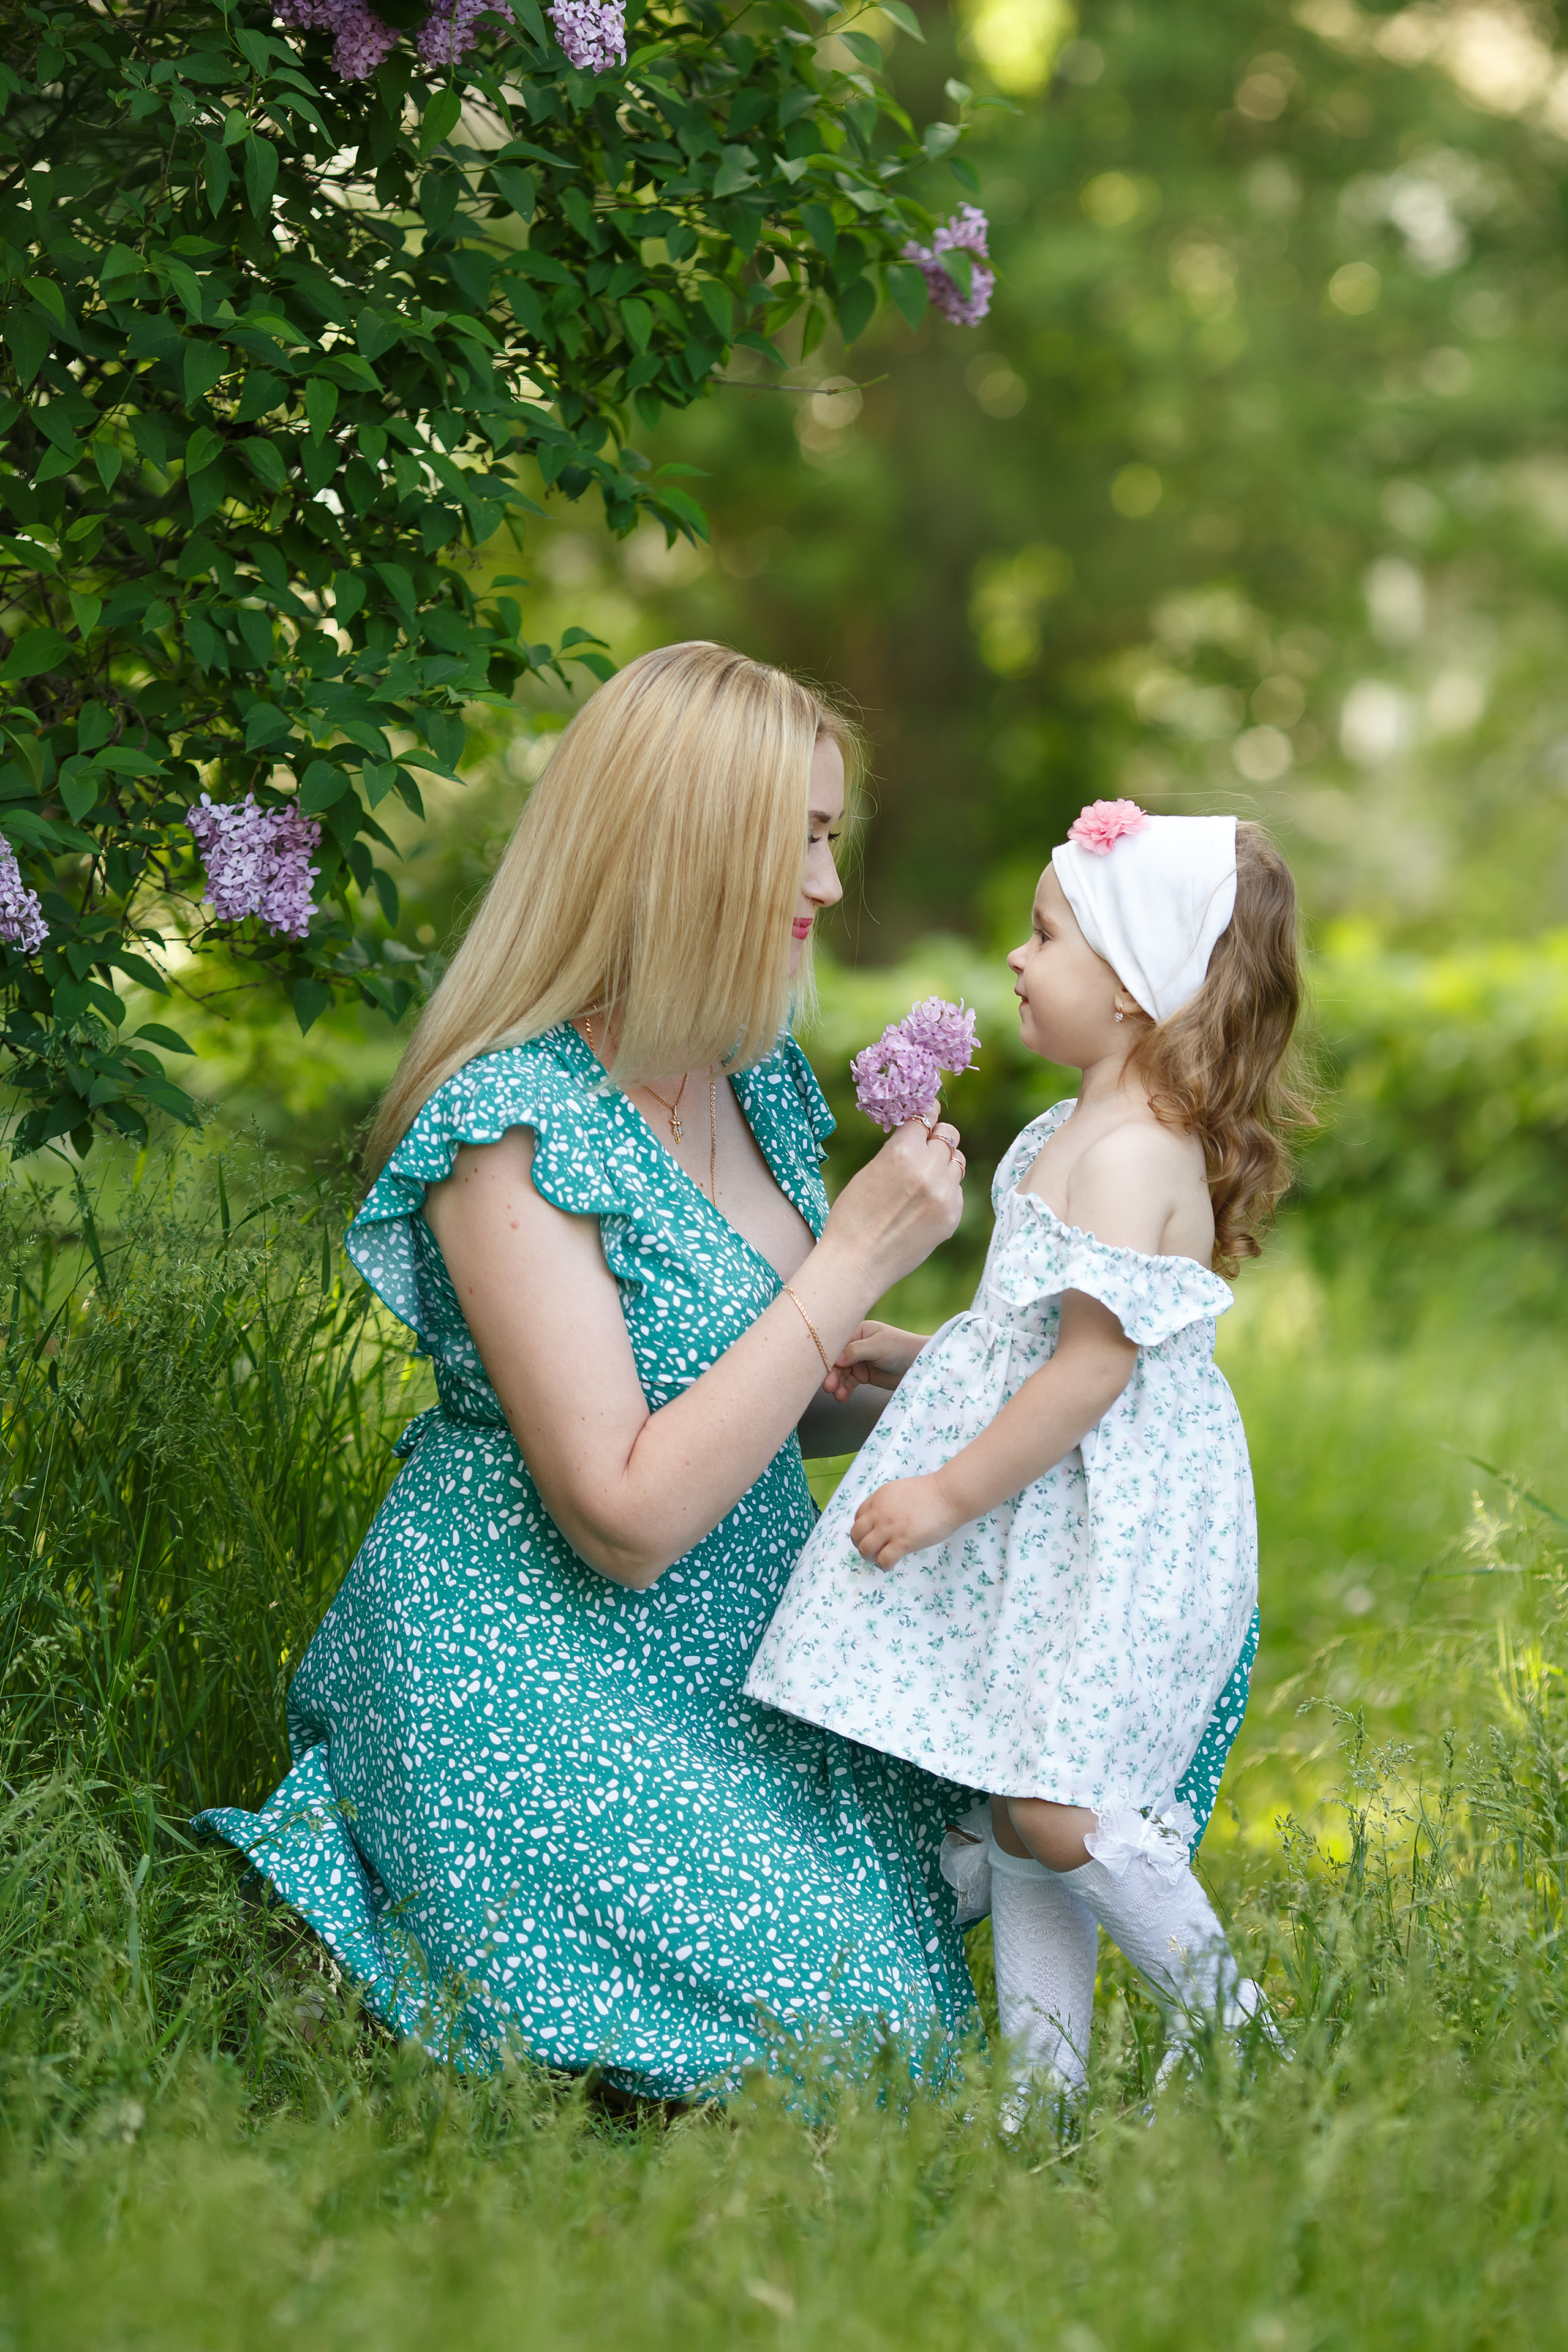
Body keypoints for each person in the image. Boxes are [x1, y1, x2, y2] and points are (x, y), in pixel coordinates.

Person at [197, 641, 976, 2099]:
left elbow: (752, 1400)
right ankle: (368, 1943)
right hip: (526, 1669)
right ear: (685, 850)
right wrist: (851, 1261)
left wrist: (980, 1378)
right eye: (797, 840)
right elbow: (623, 1514)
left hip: (726, 1658)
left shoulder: (749, 1083)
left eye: (829, 837)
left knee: (903, 2014)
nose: (823, 884)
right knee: (860, 2026)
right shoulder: (509, 1124)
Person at [745, 802, 1309, 2104]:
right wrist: (906, 1352)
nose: (1014, 958)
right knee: (1015, 1805)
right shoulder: (1072, 1128)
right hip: (1075, 1521)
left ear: (1131, 990)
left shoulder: (1128, 1152)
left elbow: (1088, 1374)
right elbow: (1031, 1340)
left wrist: (940, 1491)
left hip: (1127, 1530)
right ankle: (1039, 2092)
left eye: (1045, 936)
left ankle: (1240, 2047)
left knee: (1060, 1807)